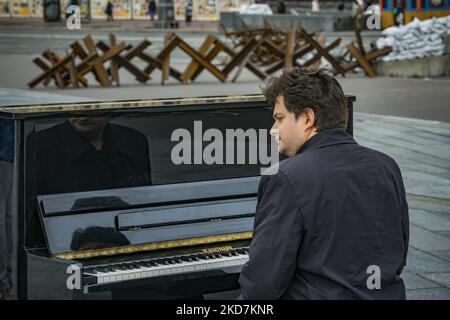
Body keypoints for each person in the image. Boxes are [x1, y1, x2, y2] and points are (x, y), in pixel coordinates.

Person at [238, 67, 409, 299]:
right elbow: (398, 252)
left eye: (279, 118)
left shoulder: (286, 176)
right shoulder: (387, 165)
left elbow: (263, 284)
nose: (272, 130)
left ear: (308, 118)